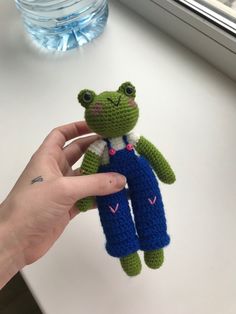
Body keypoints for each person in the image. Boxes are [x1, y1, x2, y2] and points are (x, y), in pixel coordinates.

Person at [0, 121, 126, 289]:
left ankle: (151, 243)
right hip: (112, 194)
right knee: (117, 218)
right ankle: (127, 251)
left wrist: (13, 242)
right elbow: (87, 170)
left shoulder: (131, 140)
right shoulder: (98, 146)